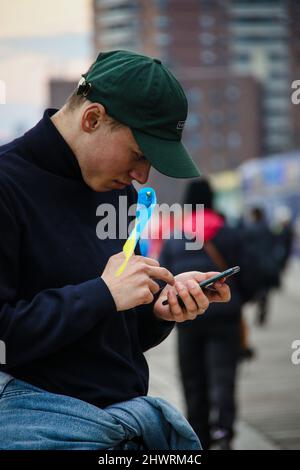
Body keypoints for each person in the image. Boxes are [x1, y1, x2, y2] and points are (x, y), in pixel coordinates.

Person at [0, 50, 231, 450]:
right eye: (139, 154)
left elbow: (111, 338)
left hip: (128, 423)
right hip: (40, 429)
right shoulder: (7, 186)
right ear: (92, 119)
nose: (142, 175)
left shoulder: (118, 194)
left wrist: (159, 308)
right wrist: (101, 294)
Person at [159, 178, 245, 450]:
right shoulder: (228, 232)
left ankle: (199, 438)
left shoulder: (176, 237)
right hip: (225, 319)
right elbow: (250, 273)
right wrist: (240, 300)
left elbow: (165, 278)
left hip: (189, 320)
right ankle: (225, 432)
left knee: (193, 380)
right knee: (223, 377)